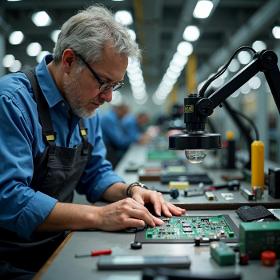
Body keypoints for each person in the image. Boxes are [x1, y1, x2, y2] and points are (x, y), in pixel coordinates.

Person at [0, 5, 185, 278]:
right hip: (10, 258)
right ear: (69, 60)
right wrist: (98, 217)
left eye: (115, 86)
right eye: (103, 82)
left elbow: (96, 173)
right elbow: (9, 199)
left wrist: (130, 190)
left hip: (55, 245)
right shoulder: (11, 102)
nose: (108, 97)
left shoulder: (85, 108)